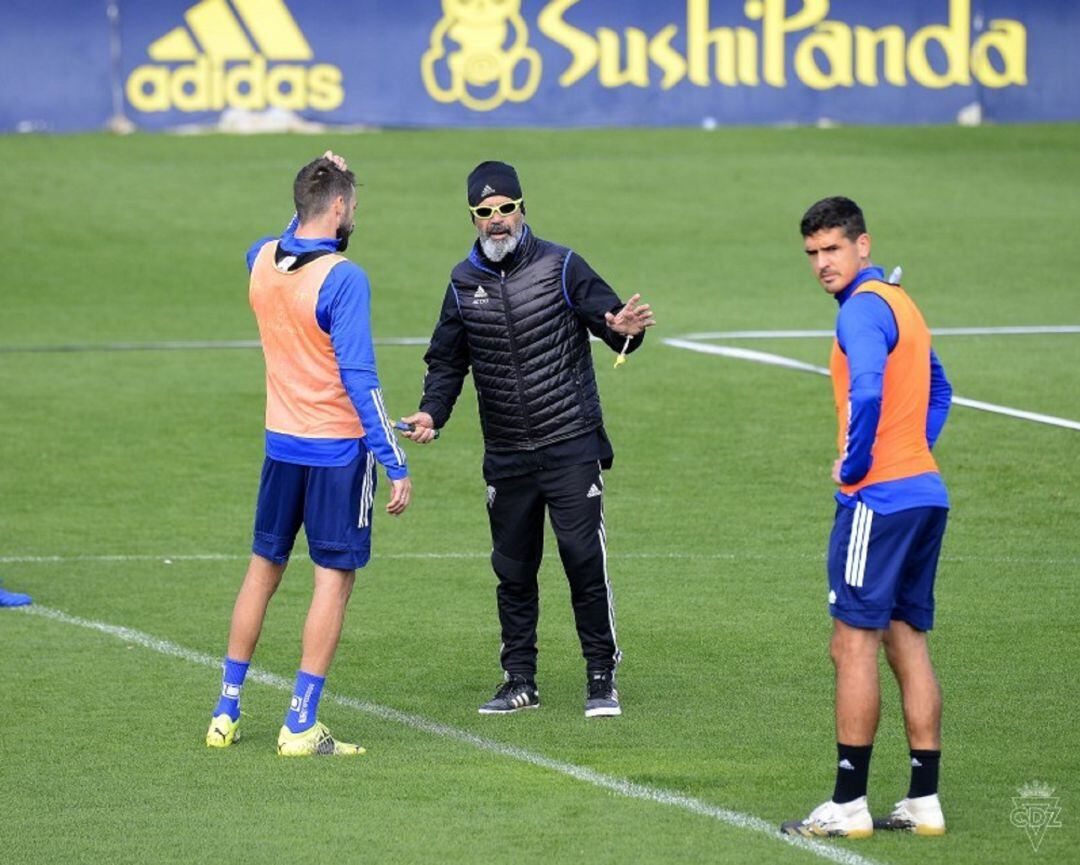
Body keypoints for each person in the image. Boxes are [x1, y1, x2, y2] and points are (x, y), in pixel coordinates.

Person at [399, 161, 654, 718]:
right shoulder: (462, 283)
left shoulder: (563, 266)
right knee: (513, 570)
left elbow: (612, 321)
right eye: (485, 213)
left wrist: (625, 334)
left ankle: (600, 676)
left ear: (522, 209)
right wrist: (430, 413)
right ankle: (519, 681)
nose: (497, 221)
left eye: (505, 209)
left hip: (570, 443)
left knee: (583, 559)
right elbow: (446, 362)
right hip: (508, 454)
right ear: (472, 218)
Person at [205, 152, 411, 756]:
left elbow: (288, 235)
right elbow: (360, 376)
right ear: (342, 207)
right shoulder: (345, 278)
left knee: (262, 570)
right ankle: (299, 723)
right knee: (332, 581)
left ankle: (225, 711)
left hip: (280, 446)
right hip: (337, 453)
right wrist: (394, 460)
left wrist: (315, 181)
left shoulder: (261, 258)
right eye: (351, 205)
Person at [782, 197, 952, 838]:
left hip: (878, 500)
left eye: (832, 249)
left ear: (862, 245)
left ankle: (849, 804)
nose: (823, 263)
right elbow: (940, 388)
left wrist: (857, 465)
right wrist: (915, 450)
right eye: (813, 254)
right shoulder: (902, 302)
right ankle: (923, 801)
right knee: (906, 641)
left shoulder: (859, 311)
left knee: (850, 644)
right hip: (925, 494)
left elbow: (870, 390)